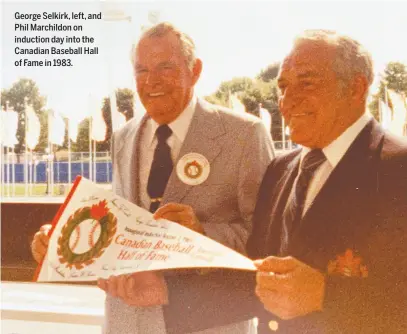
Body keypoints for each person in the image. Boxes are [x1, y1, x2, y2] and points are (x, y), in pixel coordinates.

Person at [30, 22, 275, 334]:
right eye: (142, 70)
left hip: (208, 323)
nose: (152, 81)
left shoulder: (244, 134)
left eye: (166, 67)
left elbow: (269, 240)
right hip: (126, 321)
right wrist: (66, 236)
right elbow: (119, 224)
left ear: (195, 70)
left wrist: (202, 233)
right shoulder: (124, 136)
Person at [160, 30, 407, 333]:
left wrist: (326, 296)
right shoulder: (280, 169)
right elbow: (257, 280)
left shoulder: (398, 169)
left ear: (356, 88)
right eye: (283, 86)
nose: (287, 100)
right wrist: (162, 296)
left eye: (306, 83)